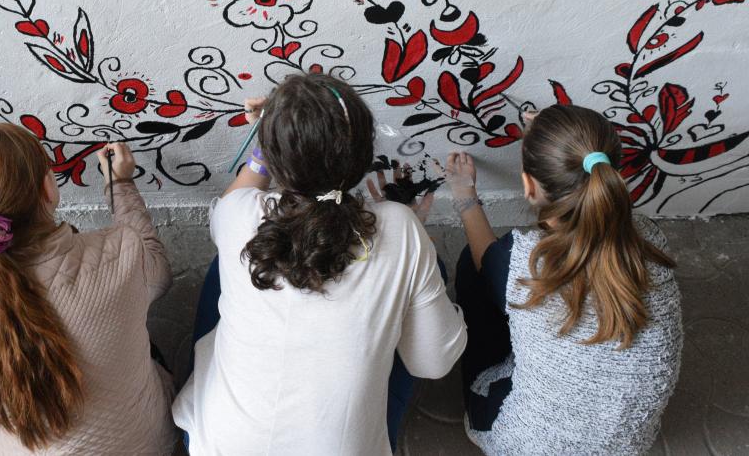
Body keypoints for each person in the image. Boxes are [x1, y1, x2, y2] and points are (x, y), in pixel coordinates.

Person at [173, 73, 467, 455]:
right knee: (427, 273)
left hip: (216, 445)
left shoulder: (238, 216)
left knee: (232, 258)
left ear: (274, 161)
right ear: (363, 156)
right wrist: (412, 246)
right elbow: (433, 363)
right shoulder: (400, 227)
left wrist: (269, 144)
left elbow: (233, 203)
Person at [450, 104, 683, 454]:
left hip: (523, 444)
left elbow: (485, 257)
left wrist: (465, 196)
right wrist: (558, 138)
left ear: (529, 187)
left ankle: (479, 413)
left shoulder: (525, 263)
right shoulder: (649, 239)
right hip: (624, 446)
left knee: (473, 267)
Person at [0, 124, 176, 455]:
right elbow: (159, 276)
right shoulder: (124, 250)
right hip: (150, 445)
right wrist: (119, 184)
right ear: (48, 189)